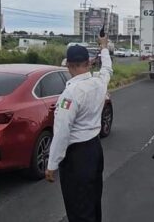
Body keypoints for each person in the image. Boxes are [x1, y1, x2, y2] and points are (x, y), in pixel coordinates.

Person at [45, 34, 112, 222]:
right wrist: (104, 47)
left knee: (78, 208)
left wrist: (52, 164)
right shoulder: (99, 82)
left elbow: (62, 131)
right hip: (94, 149)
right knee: (93, 201)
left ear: (68, 65)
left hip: (77, 156)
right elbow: (107, 68)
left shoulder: (71, 93)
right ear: (88, 63)